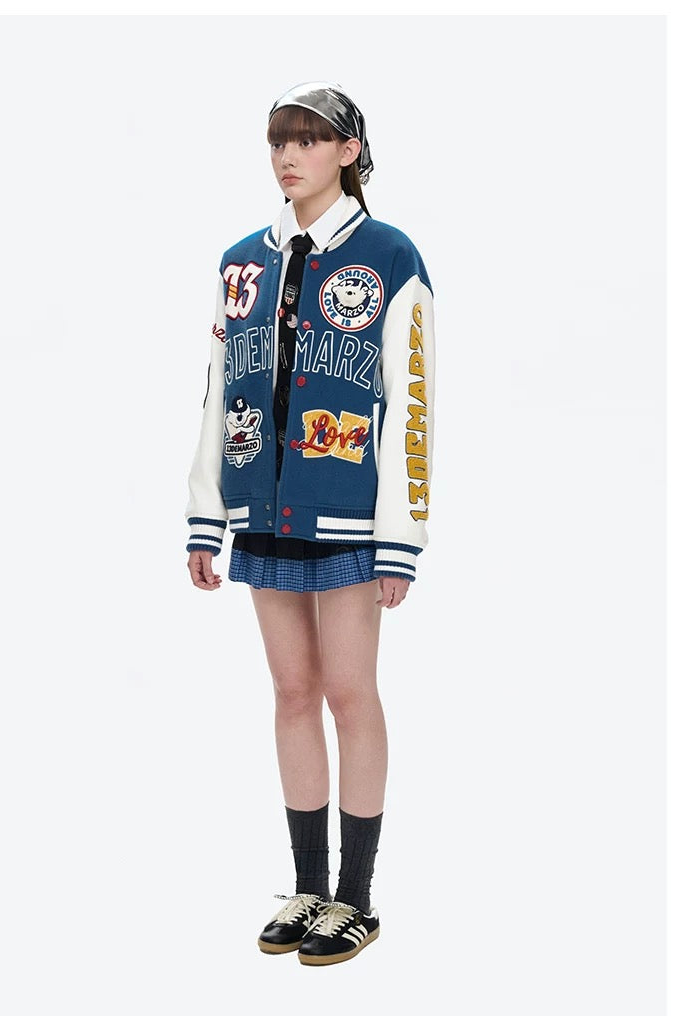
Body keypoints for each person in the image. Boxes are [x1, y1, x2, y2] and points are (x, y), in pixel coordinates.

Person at [184, 80, 436, 966]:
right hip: (262, 509)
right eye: (278, 141)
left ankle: (356, 898)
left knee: (348, 692)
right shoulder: (241, 263)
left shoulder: (391, 256)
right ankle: (307, 885)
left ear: (348, 153)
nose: (288, 157)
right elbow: (218, 392)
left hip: (351, 518)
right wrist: (206, 516)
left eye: (308, 139)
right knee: (292, 693)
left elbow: (412, 399)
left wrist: (401, 535)